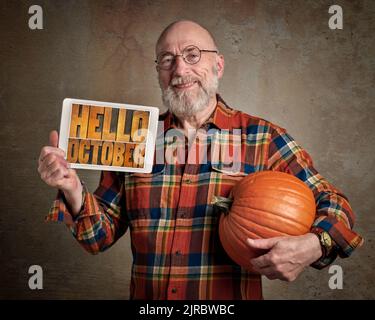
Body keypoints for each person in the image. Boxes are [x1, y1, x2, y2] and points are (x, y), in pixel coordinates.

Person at [38, 20, 363, 300]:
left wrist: (315, 244)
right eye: (167, 59)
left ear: (218, 65)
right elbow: (99, 236)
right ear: (158, 73)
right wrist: (71, 189)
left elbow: (335, 204)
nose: (180, 69)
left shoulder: (262, 137)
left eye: (192, 55)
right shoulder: (135, 137)